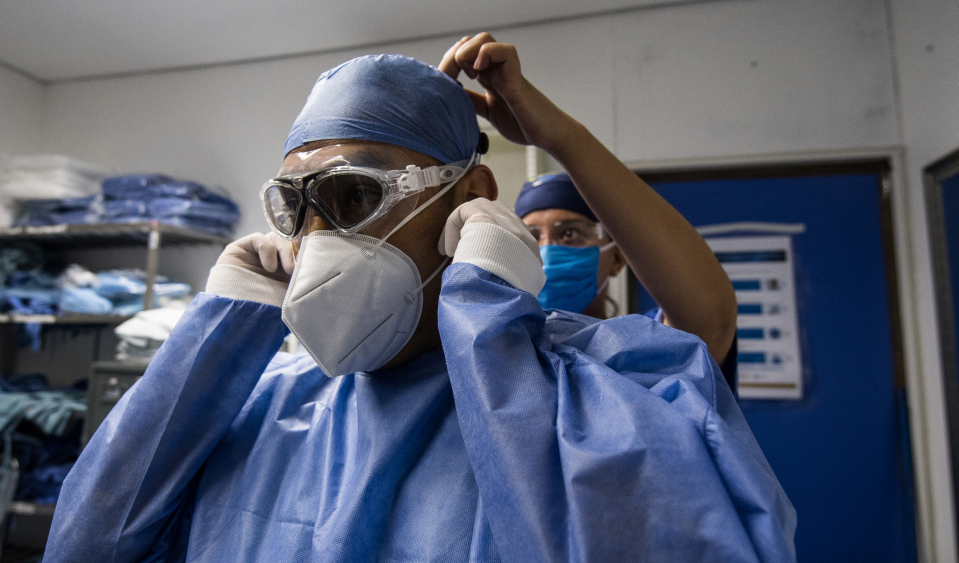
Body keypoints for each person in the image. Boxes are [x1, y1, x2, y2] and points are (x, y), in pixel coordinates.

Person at [43, 34, 795, 562]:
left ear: (471, 202)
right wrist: (213, 347)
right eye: (295, 206)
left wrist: (487, 329)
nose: (317, 238)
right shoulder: (258, 403)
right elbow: (86, 545)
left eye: (354, 195)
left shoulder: (605, 388)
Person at [512, 173, 739, 392]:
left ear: (617, 258)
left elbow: (711, 323)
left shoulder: (650, 346)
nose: (547, 252)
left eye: (570, 233)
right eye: (532, 237)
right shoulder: (505, 352)